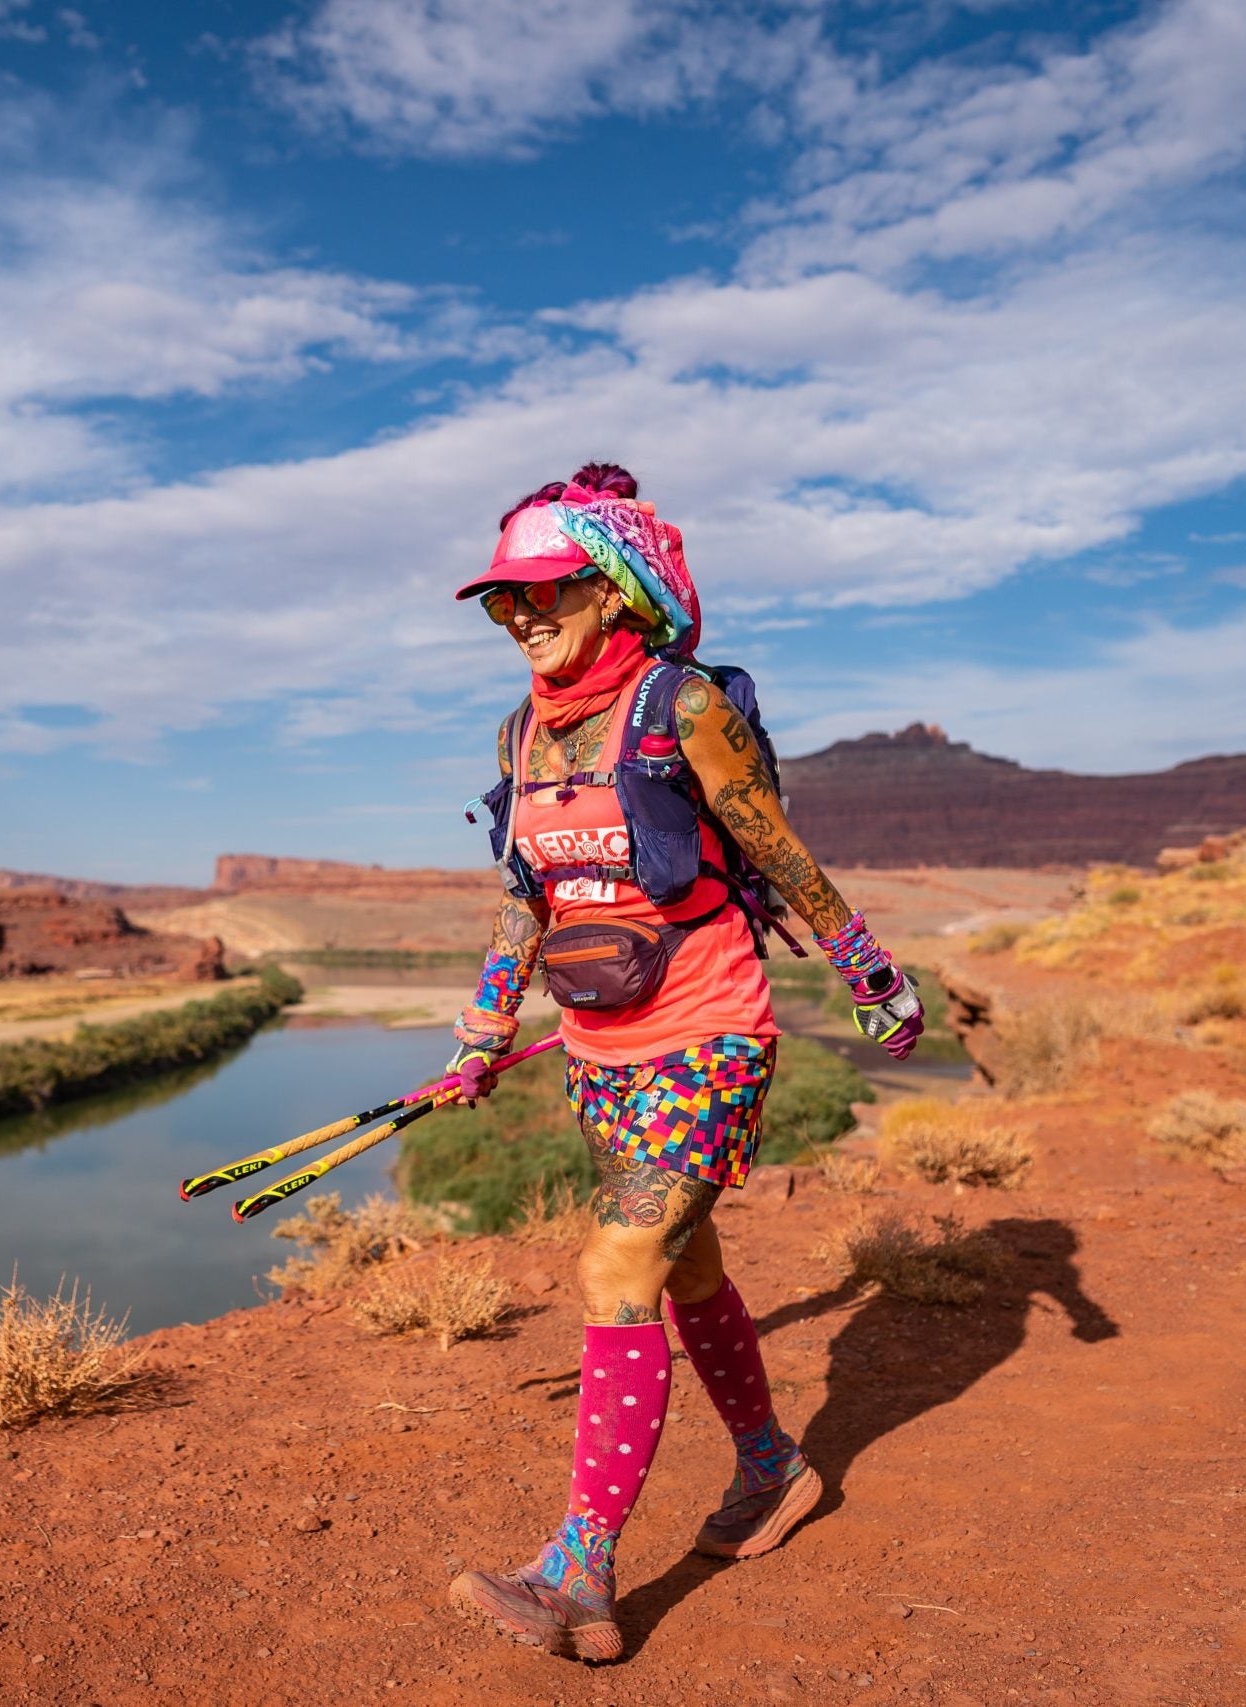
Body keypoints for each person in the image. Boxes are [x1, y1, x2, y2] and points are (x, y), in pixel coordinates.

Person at [443, 462, 925, 1663]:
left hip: (709, 1034)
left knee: (616, 1264)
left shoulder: (681, 705)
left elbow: (776, 845)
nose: (523, 618)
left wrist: (865, 969)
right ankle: (768, 1468)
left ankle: (578, 1573)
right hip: (599, 1047)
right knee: (686, 1263)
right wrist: (487, 1026)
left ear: (611, 593)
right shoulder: (521, 729)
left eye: (546, 592)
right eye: (504, 602)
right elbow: (525, 894)